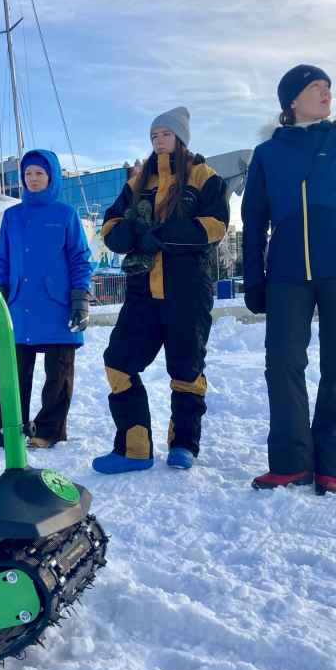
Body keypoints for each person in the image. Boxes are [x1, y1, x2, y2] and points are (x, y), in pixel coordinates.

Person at [242, 64, 336, 494]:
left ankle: (330, 464)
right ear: (291, 100)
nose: (325, 93)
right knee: (282, 363)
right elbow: (253, 219)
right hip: (287, 272)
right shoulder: (268, 153)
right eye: (315, 87)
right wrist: (254, 275)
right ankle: (289, 461)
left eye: (328, 87)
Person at [93, 107, 229, 474]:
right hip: (142, 292)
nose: (158, 140)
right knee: (118, 362)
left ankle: (184, 443)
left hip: (187, 291)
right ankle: (134, 447)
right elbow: (109, 224)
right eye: (153, 135)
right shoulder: (138, 180)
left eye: (164, 134)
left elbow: (216, 226)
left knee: (186, 369)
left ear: (180, 137)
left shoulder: (204, 177)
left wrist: (165, 236)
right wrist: (131, 234)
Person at [0, 149, 92, 449]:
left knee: (58, 374)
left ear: (51, 177)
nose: (33, 179)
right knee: (14, 372)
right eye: (28, 174)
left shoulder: (66, 214)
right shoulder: (12, 216)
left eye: (39, 173)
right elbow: (1, 258)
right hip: (20, 306)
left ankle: (49, 430)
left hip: (58, 305)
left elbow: (80, 258)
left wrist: (80, 298)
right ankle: (3, 430)